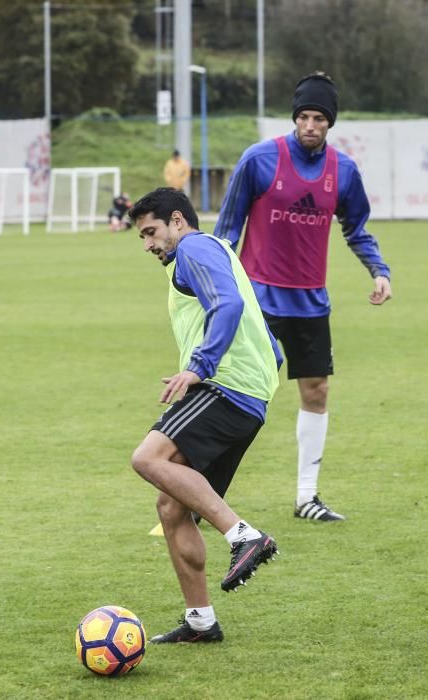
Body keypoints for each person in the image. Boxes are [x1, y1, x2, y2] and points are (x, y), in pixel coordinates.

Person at [214, 71, 392, 522]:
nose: (310, 125)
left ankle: (306, 498)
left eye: (319, 118)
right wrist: (213, 285)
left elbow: (357, 229)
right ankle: (201, 494)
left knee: (316, 391)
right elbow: (227, 230)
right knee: (237, 394)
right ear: (295, 118)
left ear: (330, 124)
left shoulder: (344, 171)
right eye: (304, 117)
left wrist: (379, 271)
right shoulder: (259, 159)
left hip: (311, 302)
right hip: (257, 299)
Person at [129, 187, 282, 644]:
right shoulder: (215, 251)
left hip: (224, 386)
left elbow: (229, 304)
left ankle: (243, 536)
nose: (148, 245)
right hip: (247, 395)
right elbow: (264, 336)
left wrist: (200, 367)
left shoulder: (194, 246)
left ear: (178, 220)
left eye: (152, 232)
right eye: (141, 237)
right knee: (172, 508)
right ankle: (201, 622)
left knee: (148, 458)